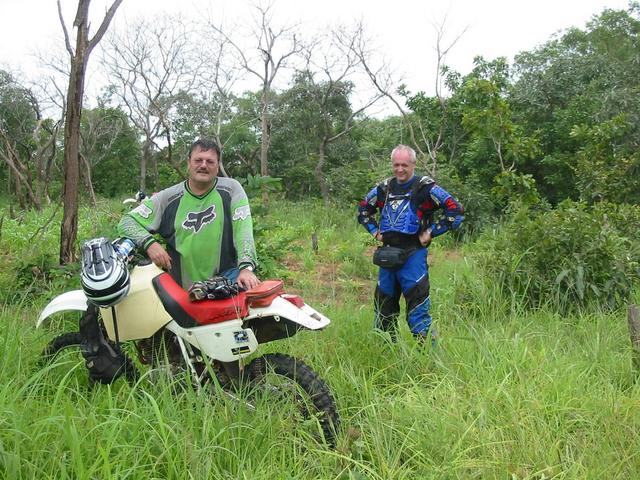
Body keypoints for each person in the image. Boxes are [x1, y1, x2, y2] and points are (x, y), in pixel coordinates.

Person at [118, 138, 260, 291]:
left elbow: (243, 231)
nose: (204, 165)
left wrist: (246, 268)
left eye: (210, 161)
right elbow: (127, 222)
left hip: (226, 280)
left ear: (217, 166)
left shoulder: (231, 189)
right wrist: (150, 244)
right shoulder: (168, 198)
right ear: (189, 163)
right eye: (198, 160)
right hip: (181, 291)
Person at [357, 144, 464, 341]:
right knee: (383, 312)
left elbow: (455, 210)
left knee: (418, 314)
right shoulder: (384, 188)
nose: (400, 169)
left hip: (413, 255)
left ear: (413, 165)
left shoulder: (425, 188)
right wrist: (375, 232)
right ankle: (385, 354)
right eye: (396, 164)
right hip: (387, 256)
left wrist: (432, 231)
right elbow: (363, 210)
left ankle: (428, 362)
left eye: (404, 165)